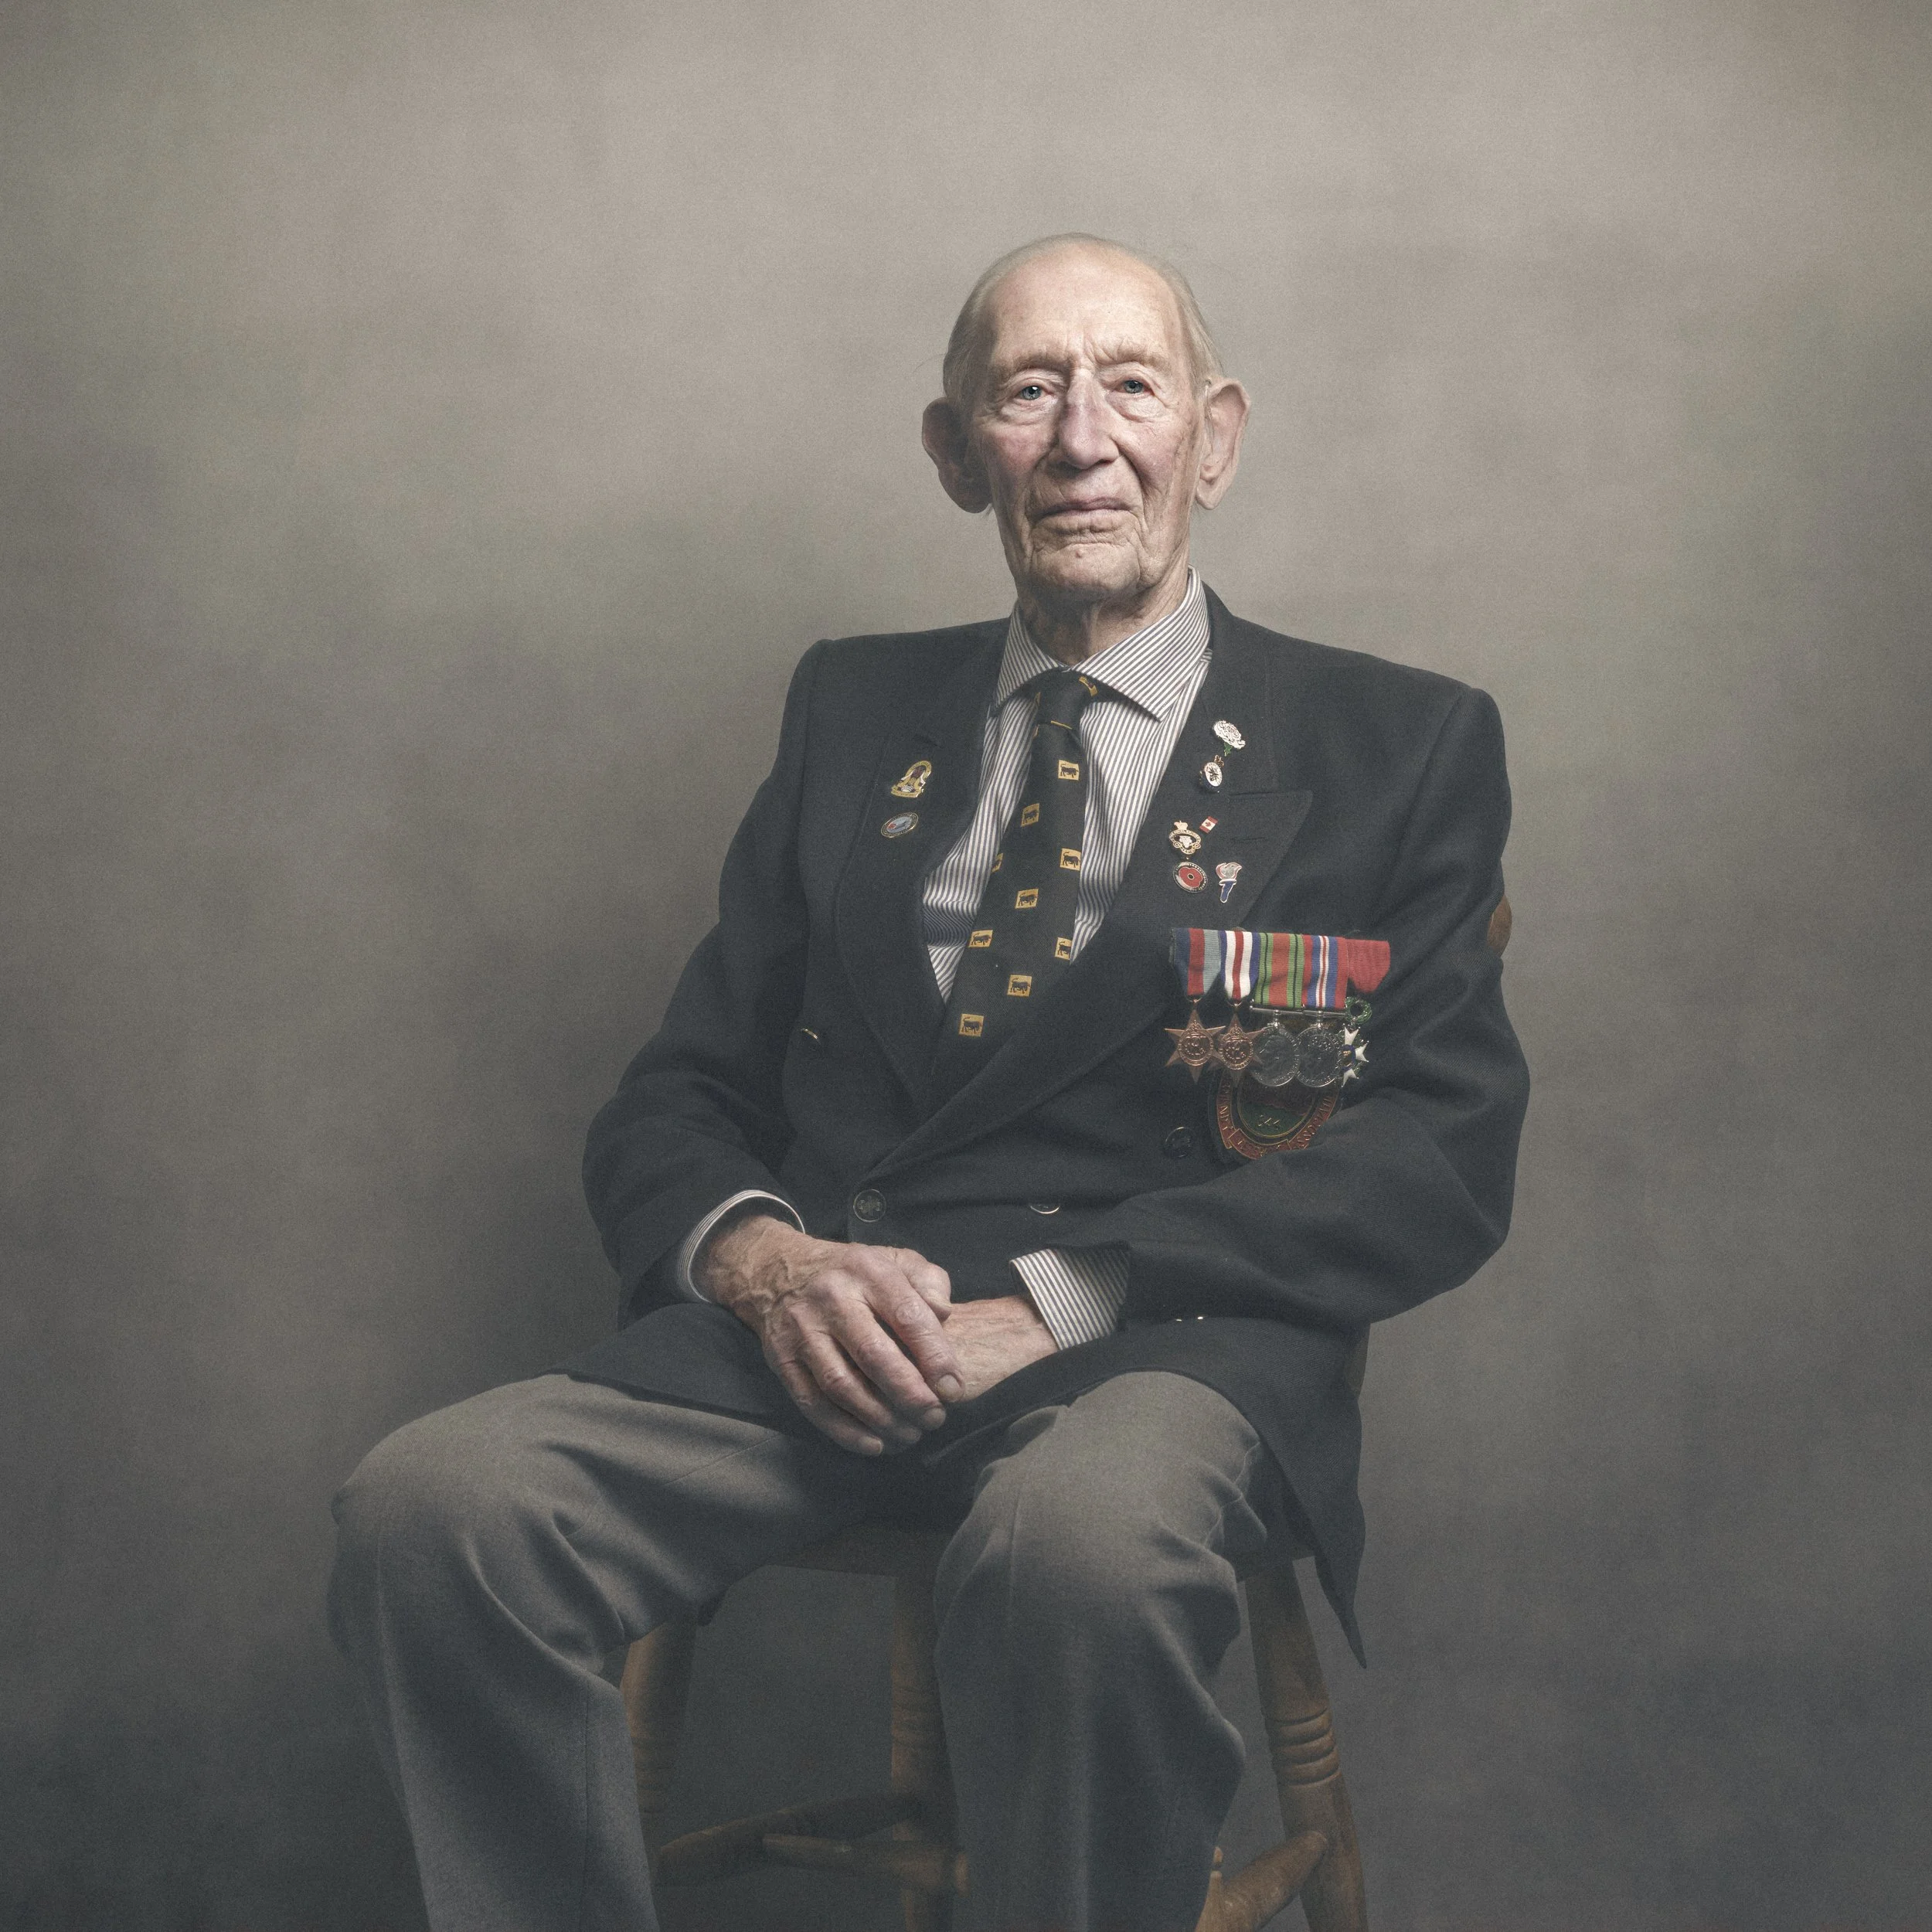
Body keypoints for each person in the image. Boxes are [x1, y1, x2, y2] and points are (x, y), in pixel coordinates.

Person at [328, 233, 1529, 1932]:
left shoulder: (1390, 744)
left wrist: (1063, 1294)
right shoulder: (850, 706)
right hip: (832, 1337)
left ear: (1214, 439)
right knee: (431, 1510)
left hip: (1158, 1344)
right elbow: (677, 1095)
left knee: (1073, 1553)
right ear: (957, 451)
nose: (1081, 438)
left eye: (1131, 386)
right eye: (1028, 391)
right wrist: (771, 1267)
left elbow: (1436, 1153)